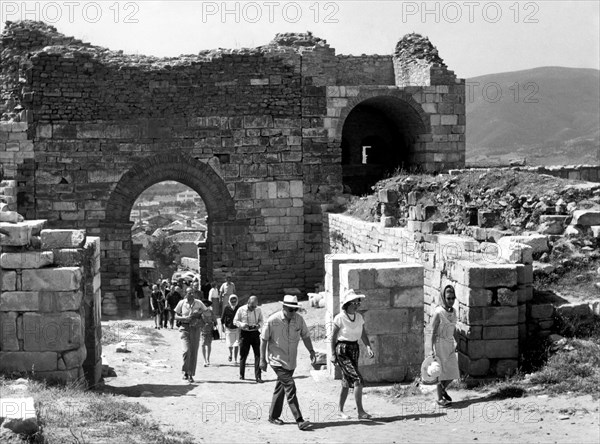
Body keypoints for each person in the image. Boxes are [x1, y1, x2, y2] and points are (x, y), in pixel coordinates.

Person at [260, 295, 315, 431]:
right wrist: (262, 359)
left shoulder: (299, 320)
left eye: (295, 310)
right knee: (290, 386)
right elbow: (264, 339)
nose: (293, 312)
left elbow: (306, 336)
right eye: (290, 309)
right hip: (277, 360)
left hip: (291, 361)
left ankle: (273, 416)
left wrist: (312, 351)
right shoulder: (273, 320)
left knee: (281, 388)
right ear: (283, 307)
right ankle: (299, 420)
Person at [330, 289, 375, 419]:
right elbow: (333, 337)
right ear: (348, 304)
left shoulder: (359, 317)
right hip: (342, 350)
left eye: (358, 302)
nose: (357, 305)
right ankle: (360, 411)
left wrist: (368, 346)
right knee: (357, 379)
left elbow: (363, 333)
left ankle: (340, 410)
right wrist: (333, 354)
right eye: (354, 303)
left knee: (346, 382)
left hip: (354, 348)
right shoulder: (340, 318)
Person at [430, 285, 460, 407]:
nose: (451, 301)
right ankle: (440, 398)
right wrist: (431, 348)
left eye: (453, 298)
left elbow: (454, 328)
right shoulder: (438, 312)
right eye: (448, 298)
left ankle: (442, 390)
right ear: (443, 298)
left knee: (453, 372)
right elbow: (432, 331)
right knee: (440, 372)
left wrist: (457, 342)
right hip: (439, 344)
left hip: (449, 344)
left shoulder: (454, 312)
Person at [174, 288, 207, 383]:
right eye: (189, 293)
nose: (191, 294)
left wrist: (199, 313)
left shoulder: (199, 303)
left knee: (193, 352)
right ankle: (185, 370)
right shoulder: (182, 303)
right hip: (185, 328)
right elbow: (175, 316)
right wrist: (184, 318)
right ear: (186, 294)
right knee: (186, 351)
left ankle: (190, 373)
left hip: (195, 329)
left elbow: (206, 311)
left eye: (192, 293)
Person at [234, 295, 263, 383]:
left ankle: (258, 376)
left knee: (258, 355)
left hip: (255, 333)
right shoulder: (241, 309)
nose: (253, 308)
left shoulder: (258, 310)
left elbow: (262, 321)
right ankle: (241, 374)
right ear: (248, 303)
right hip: (244, 333)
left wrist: (258, 325)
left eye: (255, 306)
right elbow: (235, 321)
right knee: (243, 355)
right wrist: (242, 325)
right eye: (252, 306)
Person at [199, 298, 219, 367]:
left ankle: (208, 359)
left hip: (210, 330)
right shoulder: (200, 312)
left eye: (206, 305)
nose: (205, 306)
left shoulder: (211, 312)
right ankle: (204, 360)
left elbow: (215, 321)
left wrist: (212, 323)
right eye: (204, 305)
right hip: (202, 330)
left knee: (209, 344)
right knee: (203, 344)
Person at [221, 294, 240, 364]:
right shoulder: (226, 307)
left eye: (235, 301)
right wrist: (222, 327)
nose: (233, 302)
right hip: (228, 328)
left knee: (236, 344)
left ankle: (235, 359)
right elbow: (222, 318)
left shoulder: (239, 307)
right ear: (229, 301)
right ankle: (230, 354)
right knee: (230, 344)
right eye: (232, 301)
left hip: (237, 328)